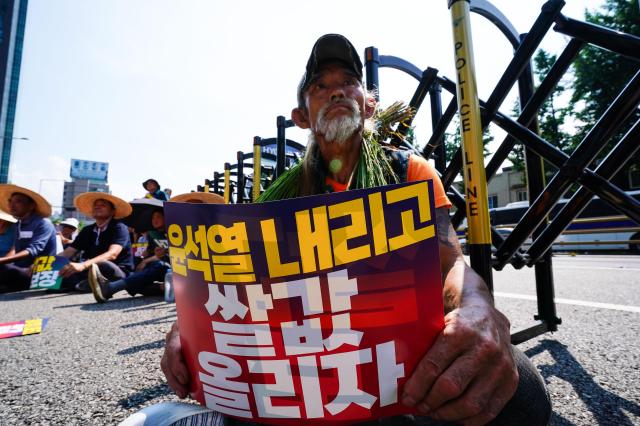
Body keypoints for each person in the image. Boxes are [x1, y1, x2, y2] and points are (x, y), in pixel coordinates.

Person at [142, 34, 551, 425]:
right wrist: (188, 329)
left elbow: (451, 264)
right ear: (301, 116)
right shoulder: (278, 197)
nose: (337, 91)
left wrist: (478, 309)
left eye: (349, 82)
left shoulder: (408, 170)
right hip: (308, 362)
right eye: (320, 86)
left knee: (523, 396)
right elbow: (239, 284)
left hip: (393, 360)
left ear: (368, 105)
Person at [88, 208, 169, 302]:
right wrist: (147, 255)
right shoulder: (152, 234)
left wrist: (149, 259)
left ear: (166, 218)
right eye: (153, 218)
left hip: (171, 268)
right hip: (154, 267)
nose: (155, 220)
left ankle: (112, 287)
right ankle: (162, 287)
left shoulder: (175, 233)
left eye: (158, 217)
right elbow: (148, 253)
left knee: (158, 265)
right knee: (136, 267)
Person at [57, 192, 133, 292]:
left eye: (103, 205)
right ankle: (82, 285)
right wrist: (46, 263)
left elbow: (112, 254)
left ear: (112, 211)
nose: (98, 207)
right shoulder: (87, 230)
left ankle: (82, 284)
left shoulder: (119, 227)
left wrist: (83, 265)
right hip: (90, 269)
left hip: (116, 270)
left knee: (105, 265)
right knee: (65, 270)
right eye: (95, 206)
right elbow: (68, 252)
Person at [0, 185, 57, 293]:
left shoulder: (43, 223)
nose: (12, 205)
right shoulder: (18, 224)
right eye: (10, 201)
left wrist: (2, 260)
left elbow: (33, 250)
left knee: (4, 268)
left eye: (18, 201)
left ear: (31, 206)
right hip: (21, 267)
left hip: (42, 269)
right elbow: (16, 250)